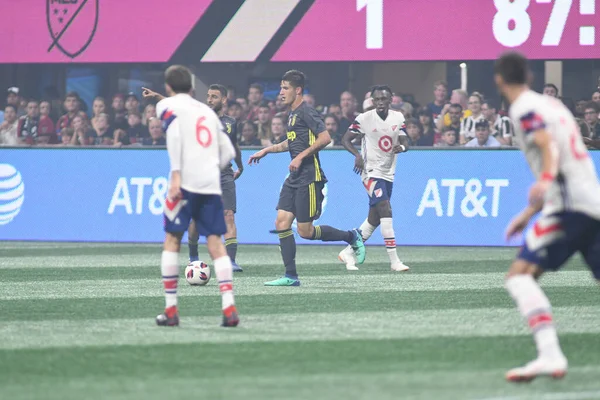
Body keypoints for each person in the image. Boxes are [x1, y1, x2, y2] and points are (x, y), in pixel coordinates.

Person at [495, 51, 600, 382]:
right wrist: (529, 213)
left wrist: (543, 181)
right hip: (590, 201)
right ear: (529, 76)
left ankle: (551, 355)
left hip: (568, 207)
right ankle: (549, 356)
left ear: (499, 79)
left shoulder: (523, 108)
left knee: (519, 276)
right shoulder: (553, 105)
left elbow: (545, 144)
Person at [248, 70, 365, 287]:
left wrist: (300, 157)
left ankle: (351, 236)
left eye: (285, 88)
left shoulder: (307, 112)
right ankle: (290, 276)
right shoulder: (291, 115)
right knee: (281, 223)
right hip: (294, 178)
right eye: (281, 87)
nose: (281, 92)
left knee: (306, 232)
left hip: (310, 178)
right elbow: (289, 143)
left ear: (298, 90)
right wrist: (266, 151)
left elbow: (325, 138)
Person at [154, 65, 239, 328]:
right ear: (192, 88)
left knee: (172, 239)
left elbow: (175, 135)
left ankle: (171, 310)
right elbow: (228, 153)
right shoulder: (208, 113)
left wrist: (177, 174)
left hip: (185, 184)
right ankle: (229, 307)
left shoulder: (166, 107)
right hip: (210, 184)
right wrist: (209, 167)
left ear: (168, 87)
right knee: (215, 242)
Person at [143, 85, 244, 273]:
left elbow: (234, 145)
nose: (210, 99)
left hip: (224, 174)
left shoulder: (231, 122)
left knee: (228, 214)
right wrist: (157, 96)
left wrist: (240, 165)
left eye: (214, 96)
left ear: (224, 99)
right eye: (208, 96)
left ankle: (230, 261)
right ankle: (194, 256)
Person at [338, 85, 410, 272]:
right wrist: (357, 155)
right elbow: (345, 140)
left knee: (374, 219)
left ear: (390, 99)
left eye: (383, 99)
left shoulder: (398, 117)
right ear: (372, 101)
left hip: (388, 172)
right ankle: (394, 261)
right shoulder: (364, 119)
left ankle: (348, 251)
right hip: (370, 172)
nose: (379, 102)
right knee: (385, 209)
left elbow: (405, 141)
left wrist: (401, 148)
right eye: (376, 99)